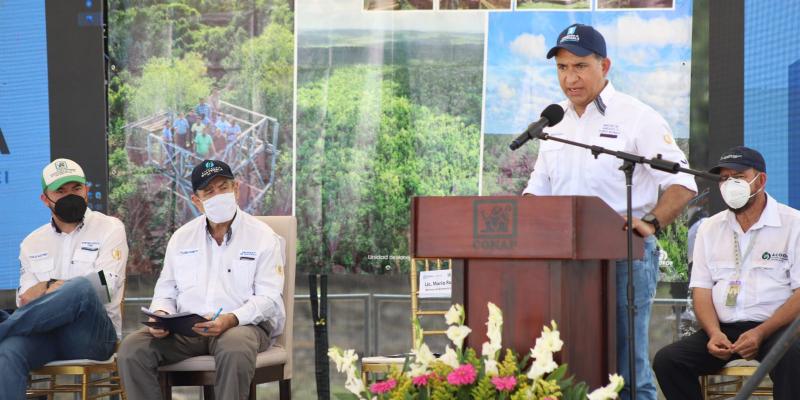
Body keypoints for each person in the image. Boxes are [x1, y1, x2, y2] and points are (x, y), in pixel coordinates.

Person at [522, 23, 697, 399]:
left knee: (627, 366)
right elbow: (537, 190)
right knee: (572, 361)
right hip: (564, 262)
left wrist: (651, 222)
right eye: (562, 68)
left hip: (625, 257)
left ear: (605, 66)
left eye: (580, 66)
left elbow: (683, 183)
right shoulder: (554, 122)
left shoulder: (637, 116)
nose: (570, 78)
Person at [118, 159, 286, 400]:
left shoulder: (262, 236)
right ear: (197, 201)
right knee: (132, 349)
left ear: (236, 189)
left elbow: (269, 298)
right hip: (188, 330)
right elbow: (166, 291)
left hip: (242, 326)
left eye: (223, 187)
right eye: (209, 191)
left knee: (234, 347)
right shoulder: (181, 238)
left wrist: (230, 319)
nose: (218, 195)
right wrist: (162, 316)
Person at [654, 147, 800, 400]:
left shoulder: (793, 224)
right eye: (724, 178)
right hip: (724, 331)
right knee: (668, 361)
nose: (730, 185)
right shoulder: (710, 227)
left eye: (739, 177)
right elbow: (701, 290)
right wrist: (713, 333)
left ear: (761, 180)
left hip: (776, 329)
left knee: (793, 356)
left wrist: (761, 332)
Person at [0, 158, 128, 399]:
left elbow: (105, 286)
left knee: (82, 288)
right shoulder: (31, 242)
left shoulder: (110, 228)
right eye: (61, 191)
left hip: (94, 336)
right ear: (45, 199)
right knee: (9, 350)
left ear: (87, 190)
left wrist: (54, 289)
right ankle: (5, 335)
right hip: (47, 337)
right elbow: (26, 300)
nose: (71, 195)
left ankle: (3, 328)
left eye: (76, 188)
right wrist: (51, 286)